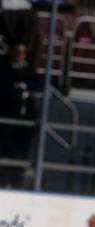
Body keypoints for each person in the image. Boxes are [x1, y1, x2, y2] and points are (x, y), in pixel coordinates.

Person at [0, 42, 40, 187]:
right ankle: (3, 182)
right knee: (5, 153)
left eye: (23, 52)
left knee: (21, 154)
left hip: (25, 122)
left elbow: (38, 84)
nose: (20, 55)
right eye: (17, 51)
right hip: (9, 119)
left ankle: (17, 182)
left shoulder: (29, 69)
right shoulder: (4, 68)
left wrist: (24, 87)